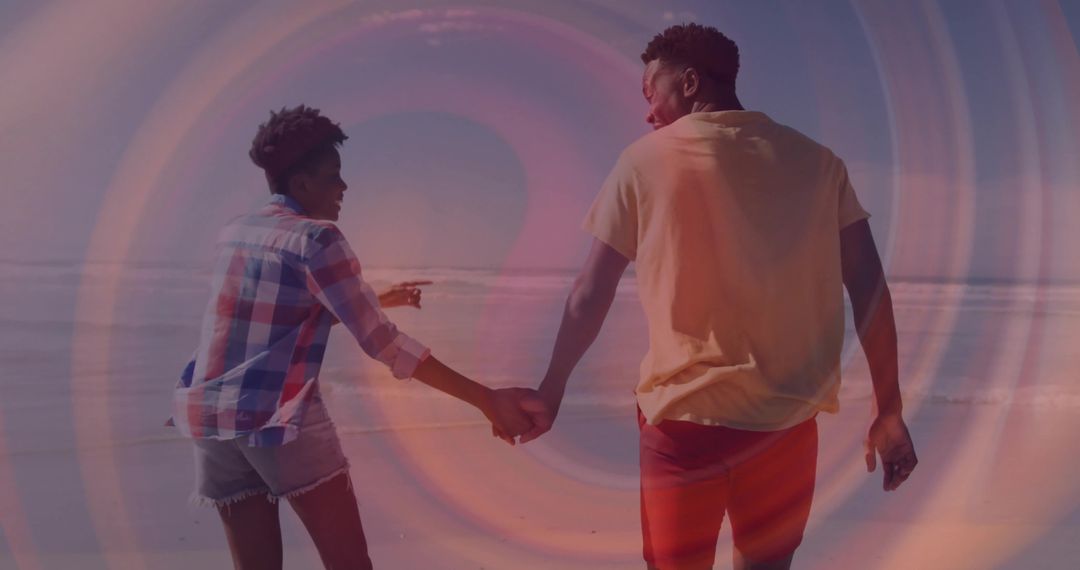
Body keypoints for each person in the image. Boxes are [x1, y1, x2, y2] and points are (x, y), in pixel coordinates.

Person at [516, 24, 918, 570]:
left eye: (650, 93)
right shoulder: (821, 165)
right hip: (783, 429)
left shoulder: (642, 162)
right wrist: (888, 408)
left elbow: (591, 291)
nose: (648, 111)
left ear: (687, 82)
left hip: (683, 429)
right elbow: (870, 288)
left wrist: (552, 388)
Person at [170, 104, 547, 570]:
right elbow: (383, 344)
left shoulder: (235, 232)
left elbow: (278, 319)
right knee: (348, 560)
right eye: (333, 176)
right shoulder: (318, 238)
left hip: (210, 416)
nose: (344, 187)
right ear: (301, 183)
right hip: (276, 417)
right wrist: (486, 399)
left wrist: (380, 297)